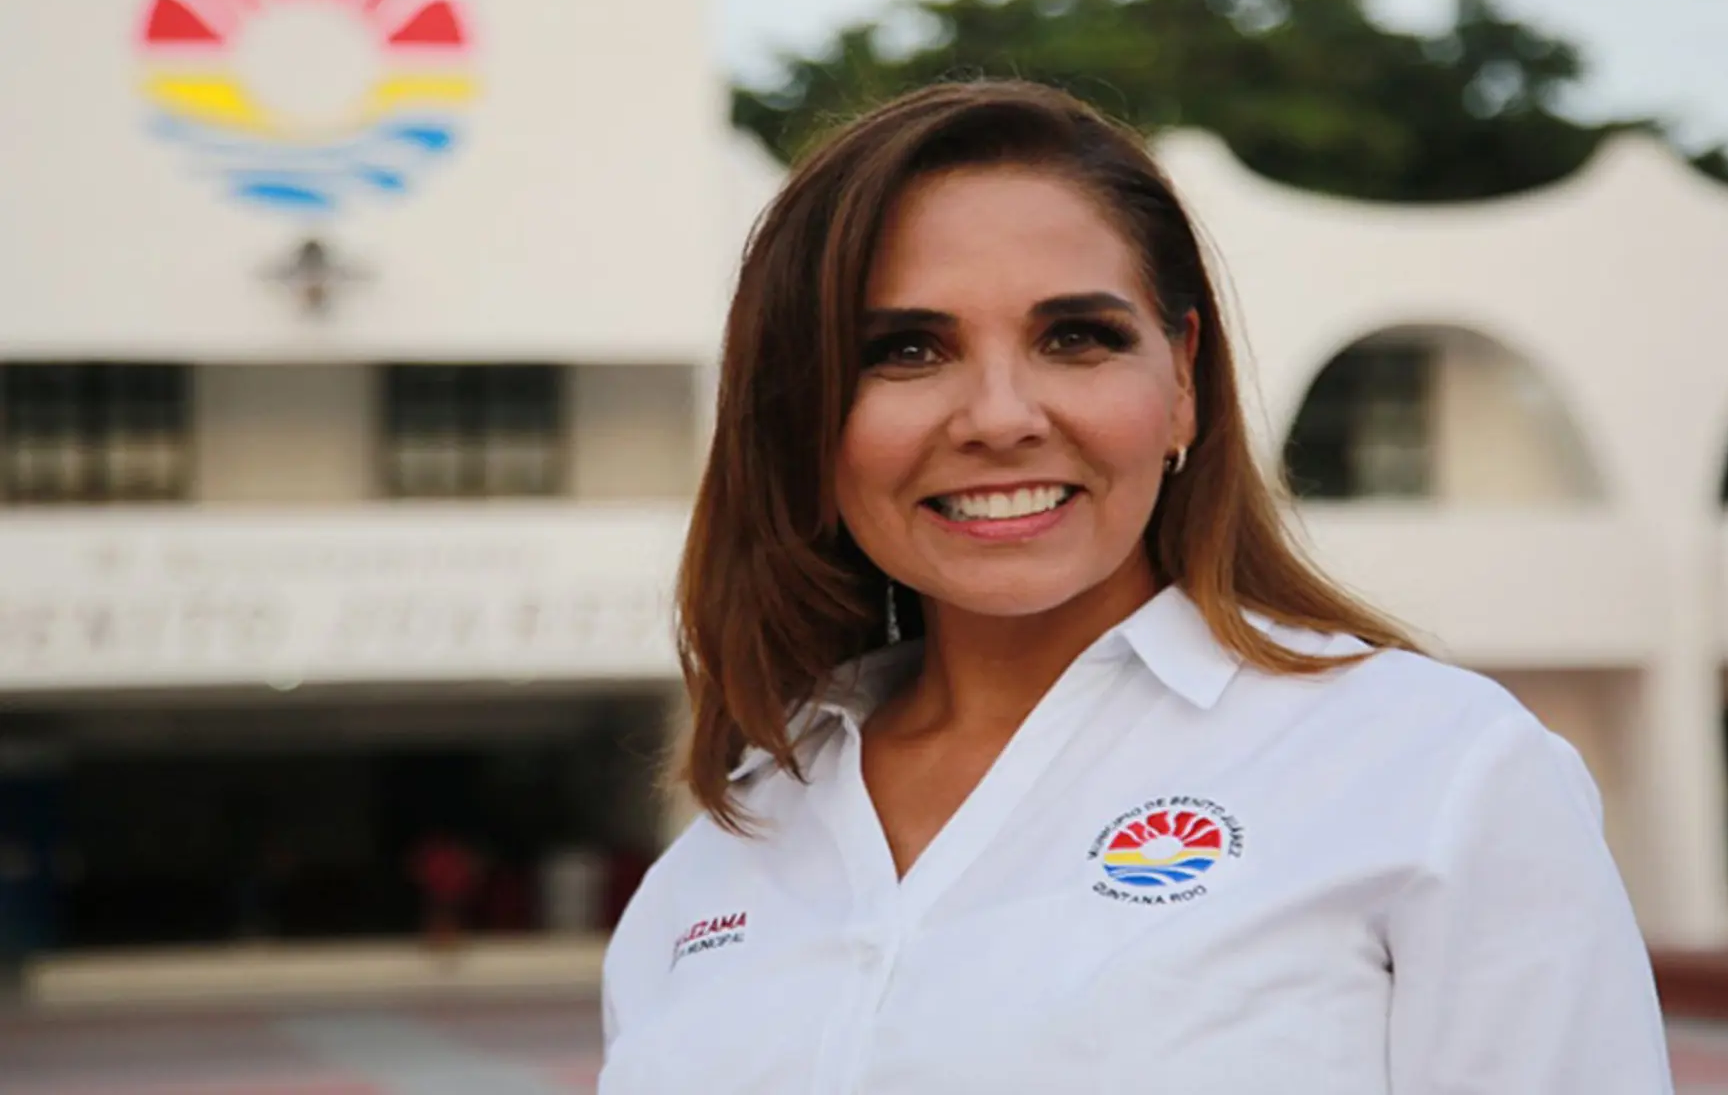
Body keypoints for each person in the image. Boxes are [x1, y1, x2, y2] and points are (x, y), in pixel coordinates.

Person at [600, 81, 1673, 1093]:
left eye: (1076, 337)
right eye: (907, 349)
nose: (1001, 416)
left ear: (1183, 381)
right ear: (801, 413)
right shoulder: (721, 859)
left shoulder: (1436, 767)